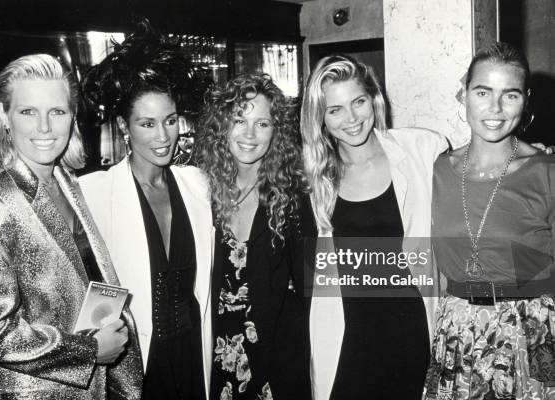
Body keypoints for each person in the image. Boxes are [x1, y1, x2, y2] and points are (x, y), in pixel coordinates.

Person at [0, 54, 141, 399]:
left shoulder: (68, 184)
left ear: (72, 118)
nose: (44, 128)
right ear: (4, 118)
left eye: (57, 112)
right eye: (28, 112)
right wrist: (89, 351)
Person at [300, 55, 449, 400]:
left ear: (374, 99)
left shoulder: (420, 150)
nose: (351, 118)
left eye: (358, 101)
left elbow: (477, 171)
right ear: (319, 118)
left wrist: (532, 156)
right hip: (347, 337)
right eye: (334, 110)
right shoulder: (311, 180)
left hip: (412, 332)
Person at [79, 21, 212, 400]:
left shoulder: (197, 185)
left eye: (170, 121)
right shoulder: (95, 192)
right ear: (125, 127)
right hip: (134, 364)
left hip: (193, 356)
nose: (162, 136)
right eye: (147, 124)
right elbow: (92, 293)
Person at [425, 42, 555, 400]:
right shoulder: (437, 169)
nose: (495, 108)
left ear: (525, 100)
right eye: (483, 92)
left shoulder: (546, 171)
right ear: (463, 93)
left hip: (527, 336)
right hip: (456, 336)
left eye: (509, 95)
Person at [195, 74, 311, 400]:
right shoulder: (200, 191)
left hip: (273, 361)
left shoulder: (292, 197)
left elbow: (312, 290)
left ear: (276, 132)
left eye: (262, 123)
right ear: (222, 127)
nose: (249, 134)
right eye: (239, 120)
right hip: (213, 355)